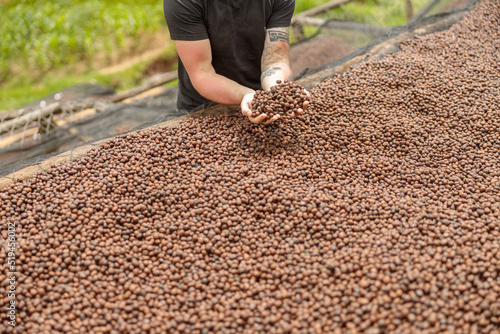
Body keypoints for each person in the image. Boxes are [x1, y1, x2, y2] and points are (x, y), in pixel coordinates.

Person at [163, 0, 309, 125]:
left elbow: (276, 58)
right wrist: (247, 95)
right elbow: (202, 73)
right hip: (202, 110)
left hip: (258, 99)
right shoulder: (183, 2)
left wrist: (277, 93)